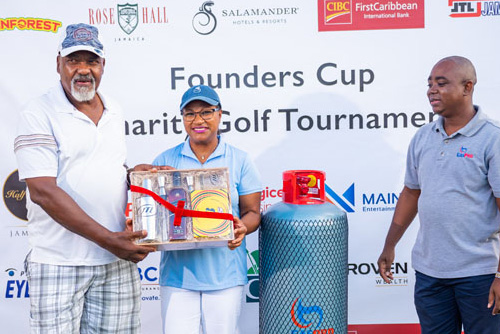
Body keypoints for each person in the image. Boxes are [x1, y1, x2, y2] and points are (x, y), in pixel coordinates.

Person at [13, 23, 156, 333]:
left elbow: (104, 168)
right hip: (59, 262)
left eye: (91, 61)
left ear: (103, 65)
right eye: (73, 60)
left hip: (115, 263)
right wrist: (109, 240)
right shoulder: (38, 112)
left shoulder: (113, 109)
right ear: (58, 63)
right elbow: (43, 192)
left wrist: (136, 176)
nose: (82, 69)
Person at [377, 56, 500, 334]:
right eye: (430, 83)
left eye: (441, 83)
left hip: (480, 274)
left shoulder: (492, 138)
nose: (432, 90)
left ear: (468, 87)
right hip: (430, 273)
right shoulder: (423, 137)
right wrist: (389, 245)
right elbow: (411, 193)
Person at [152, 84, 262, 334]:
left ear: (220, 114)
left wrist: (243, 227)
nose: (198, 120)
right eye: (190, 113)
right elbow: (156, 218)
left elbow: (253, 212)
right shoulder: (165, 161)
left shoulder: (240, 160)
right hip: (178, 278)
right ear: (182, 118)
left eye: (206, 112)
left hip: (225, 276)